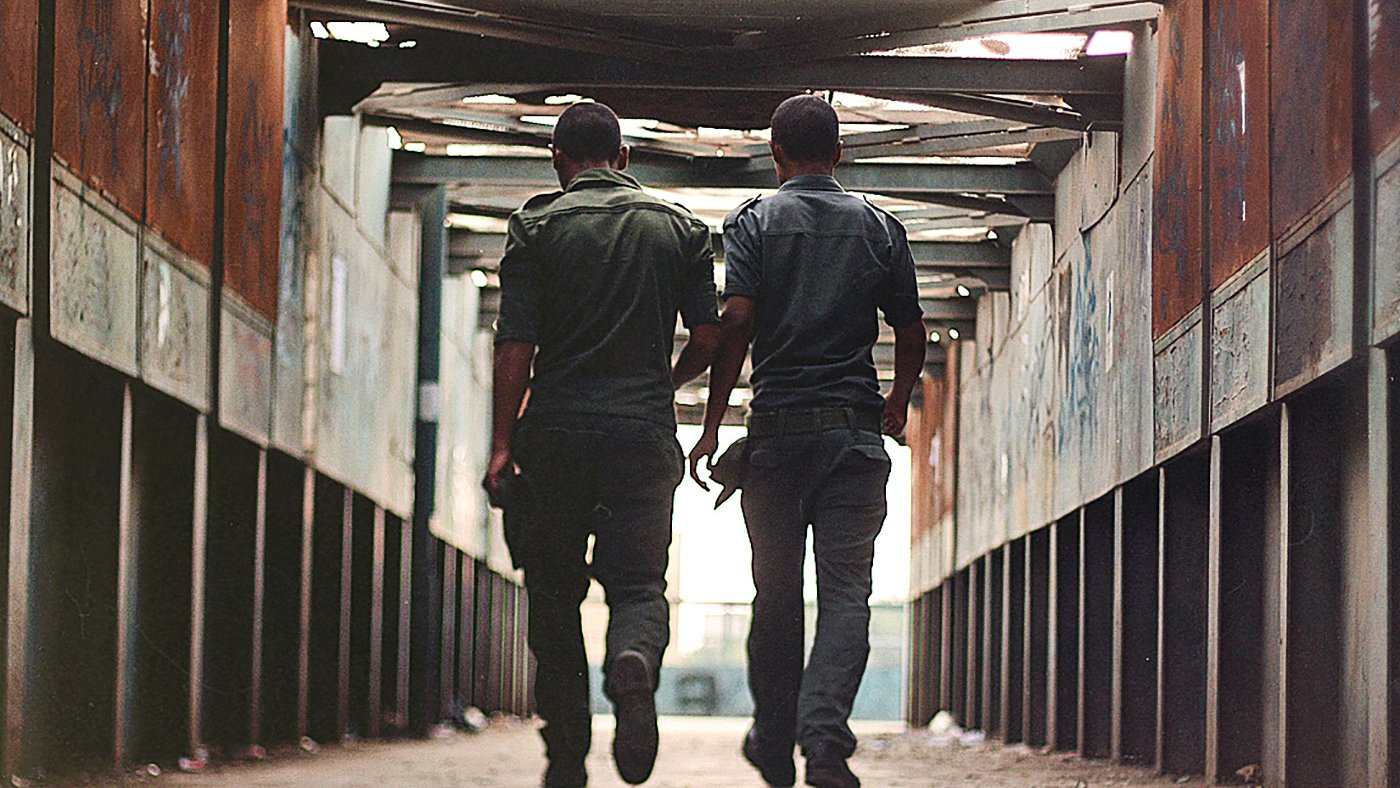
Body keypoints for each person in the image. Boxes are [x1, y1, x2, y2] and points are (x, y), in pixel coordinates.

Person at [688, 94, 926, 788]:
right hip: (854, 441)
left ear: (776, 154)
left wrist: (710, 426)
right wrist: (898, 400)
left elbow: (735, 322)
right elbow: (910, 332)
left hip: (778, 445)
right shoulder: (881, 226)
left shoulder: (756, 221)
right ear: (841, 154)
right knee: (847, 595)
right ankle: (824, 746)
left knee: (776, 595)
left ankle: (772, 737)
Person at [485, 101, 721, 787]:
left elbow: (516, 343)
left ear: (557, 160)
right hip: (641, 437)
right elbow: (709, 339)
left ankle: (566, 758)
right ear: (624, 159)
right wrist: (660, 383)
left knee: (553, 594)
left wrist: (503, 443)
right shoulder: (680, 228)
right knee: (640, 583)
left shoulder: (534, 225)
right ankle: (635, 661)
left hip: (555, 436)